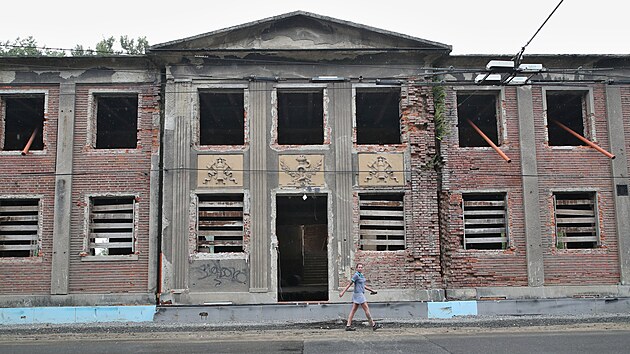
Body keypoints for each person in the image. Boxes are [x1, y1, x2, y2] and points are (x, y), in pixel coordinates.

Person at [339, 262, 382, 331]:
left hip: (358, 294)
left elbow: (363, 286)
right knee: (366, 309)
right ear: (356, 268)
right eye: (359, 267)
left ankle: (348, 326)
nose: (360, 268)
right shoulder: (356, 275)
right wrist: (342, 292)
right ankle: (373, 325)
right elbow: (349, 284)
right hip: (359, 295)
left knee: (353, 310)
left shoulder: (361, 275)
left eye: (361, 267)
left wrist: (371, 290)